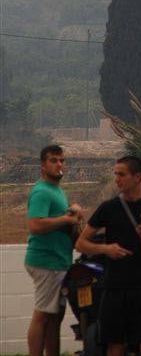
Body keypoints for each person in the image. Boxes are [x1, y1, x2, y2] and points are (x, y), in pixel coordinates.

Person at [75, 155, 141, 356]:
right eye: (115, 174)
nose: (117, 179)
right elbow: (81, 243)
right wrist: (106, 249)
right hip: (113, 286)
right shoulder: (108, 208)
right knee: (114, 346)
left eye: (122, 174)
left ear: (137, 177)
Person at [25, 144, 83, 356]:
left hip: (59, 261)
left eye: (62, 160)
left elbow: (61, 221)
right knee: (42, 315)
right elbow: (35, 225)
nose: (59, 164)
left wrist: (72, 215)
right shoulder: (41, 191)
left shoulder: (56, 190)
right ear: (43, 166)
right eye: (53, 160)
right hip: (46, 262)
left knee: (54, 316)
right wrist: (66, 219)